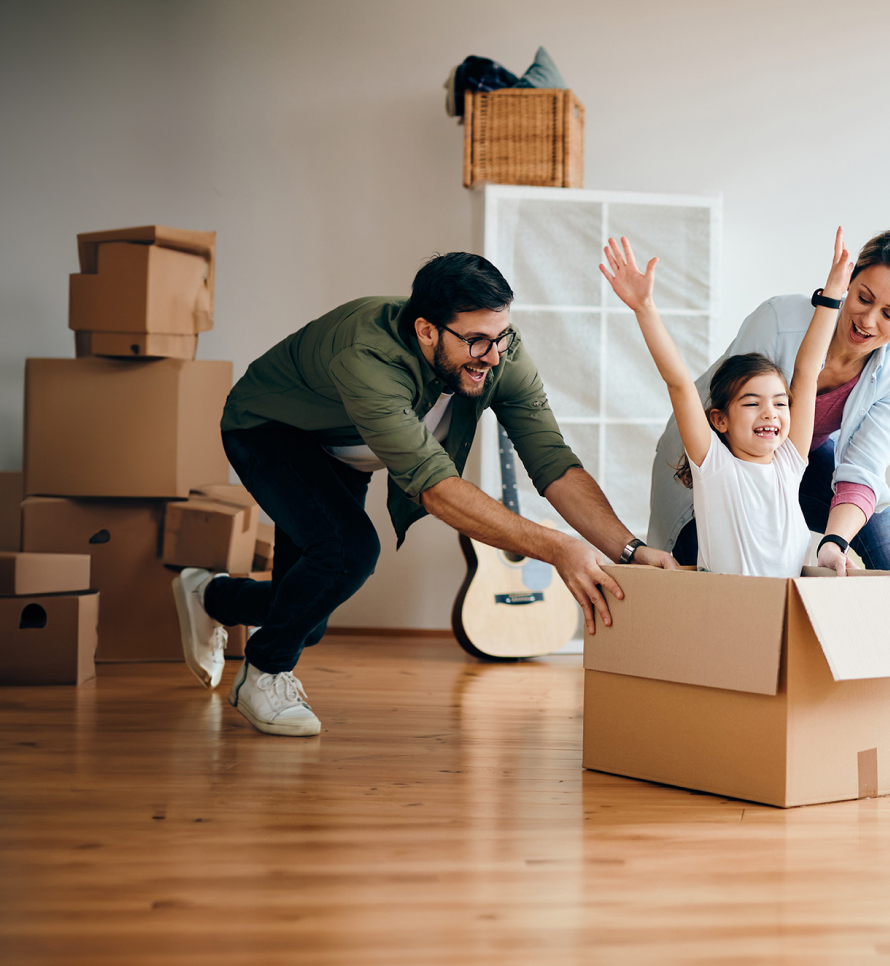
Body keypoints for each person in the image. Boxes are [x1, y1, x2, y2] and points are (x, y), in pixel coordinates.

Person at [172, 252, 677, 737]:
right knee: (348, 552)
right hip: (272, 430)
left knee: (307, 616)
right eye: (478, 341)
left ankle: (208, 593)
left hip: (344, 448)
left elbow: (553, 461)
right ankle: (264, 673)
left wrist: (630, 550)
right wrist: (556, 547)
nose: (494, 355)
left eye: (501, 336)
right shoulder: (367, 357)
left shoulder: (498, 354)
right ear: (426, 330)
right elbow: (435, 488)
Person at [647, 229, 890, 756]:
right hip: (716, 458)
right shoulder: (779, 321)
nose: (868, 321)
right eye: (863, 298)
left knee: (884, 527)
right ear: (849, 281)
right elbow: (721, 403)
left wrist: (832, 542)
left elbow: (861, 467)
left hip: (797, 461)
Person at [602, 230, 850, 577]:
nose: (770, 413)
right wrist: (645, 308)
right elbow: (679, 384)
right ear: (720, 420)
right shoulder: (715, 465)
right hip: (729, 612)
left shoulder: (790, 463)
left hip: (784, 610)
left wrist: (833, 296)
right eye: (752, 404)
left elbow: (807, 373)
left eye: (780, 404)